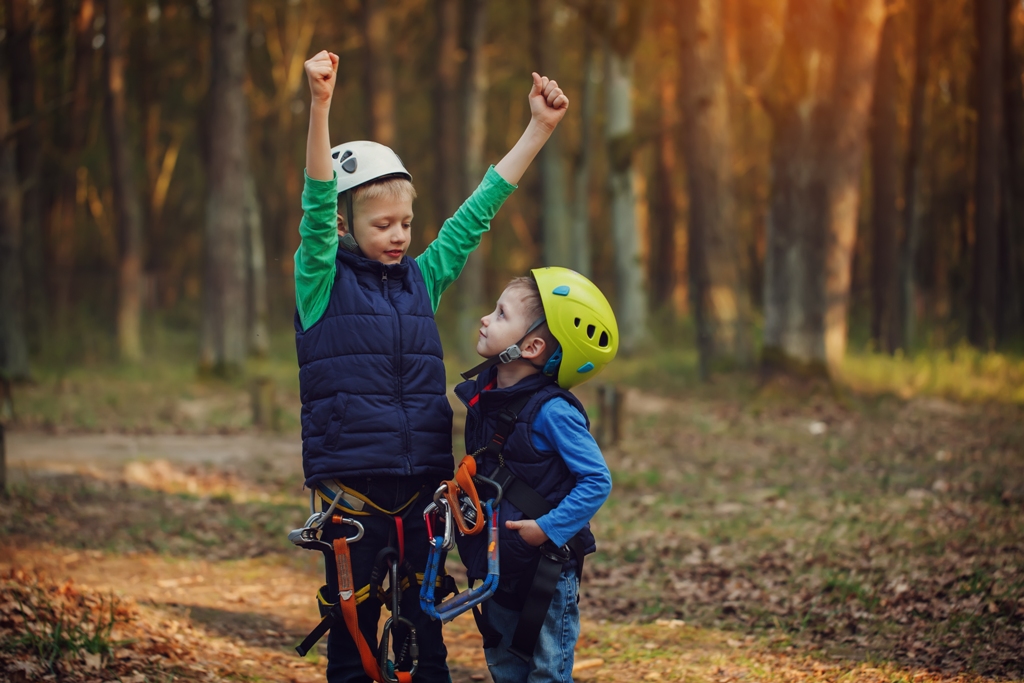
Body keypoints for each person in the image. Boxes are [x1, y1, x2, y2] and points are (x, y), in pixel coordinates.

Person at [295, 48, 569, 683]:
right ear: (346, 224)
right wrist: (320, 104)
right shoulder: (320, 280)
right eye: (382, 223)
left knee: (427, 636)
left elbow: (476, 214)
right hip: (353, 494)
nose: (398, 234)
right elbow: (314, 201)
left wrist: (538, 130)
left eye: (406, 223)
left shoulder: (422, 277)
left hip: (423, 484)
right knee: (354, 638)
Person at [454, 268, 618, 683]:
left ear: (532, 346)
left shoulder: (552, 411)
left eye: (501, 314)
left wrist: (548, 528)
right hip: (496, 563)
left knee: (545, 672)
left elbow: (597, 480)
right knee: (505, 668)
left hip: (543, 569)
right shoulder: (486, 397)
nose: (486, 319)